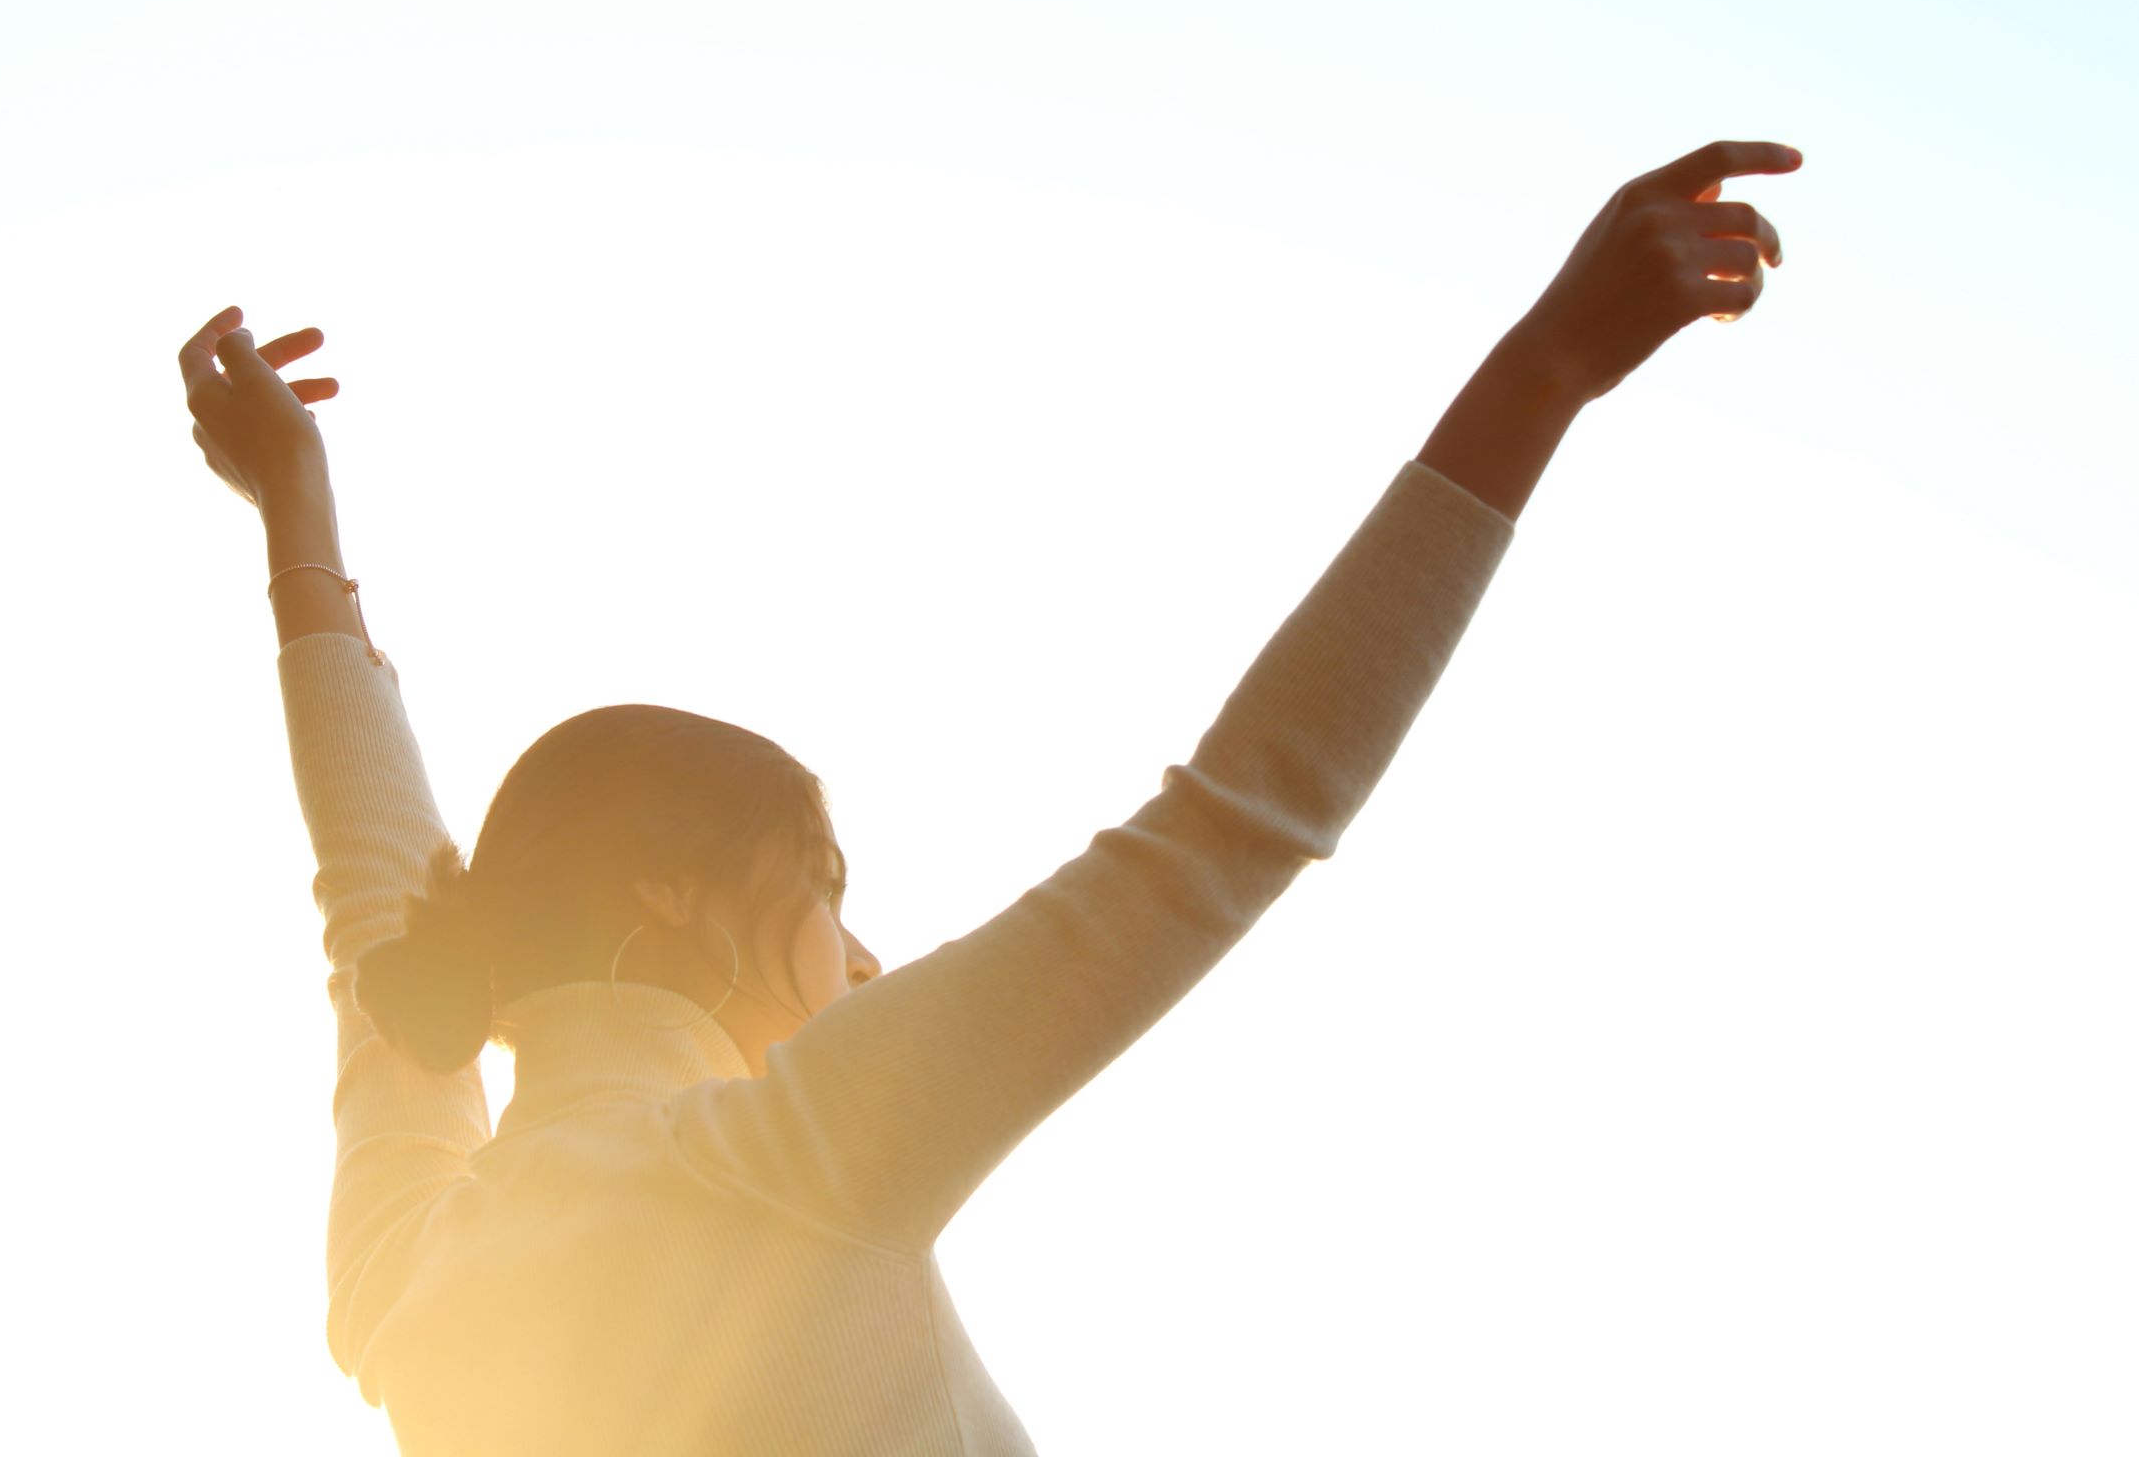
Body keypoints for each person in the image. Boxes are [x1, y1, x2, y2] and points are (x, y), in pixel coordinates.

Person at [181, 139, 1797, 1455]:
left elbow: (372, 894)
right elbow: (1229, 824)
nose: (863, 953)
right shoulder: (787, 1162)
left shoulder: (416, 1268)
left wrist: (296, 523)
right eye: (820, 883)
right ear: (680, 898)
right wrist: (1543, 375)